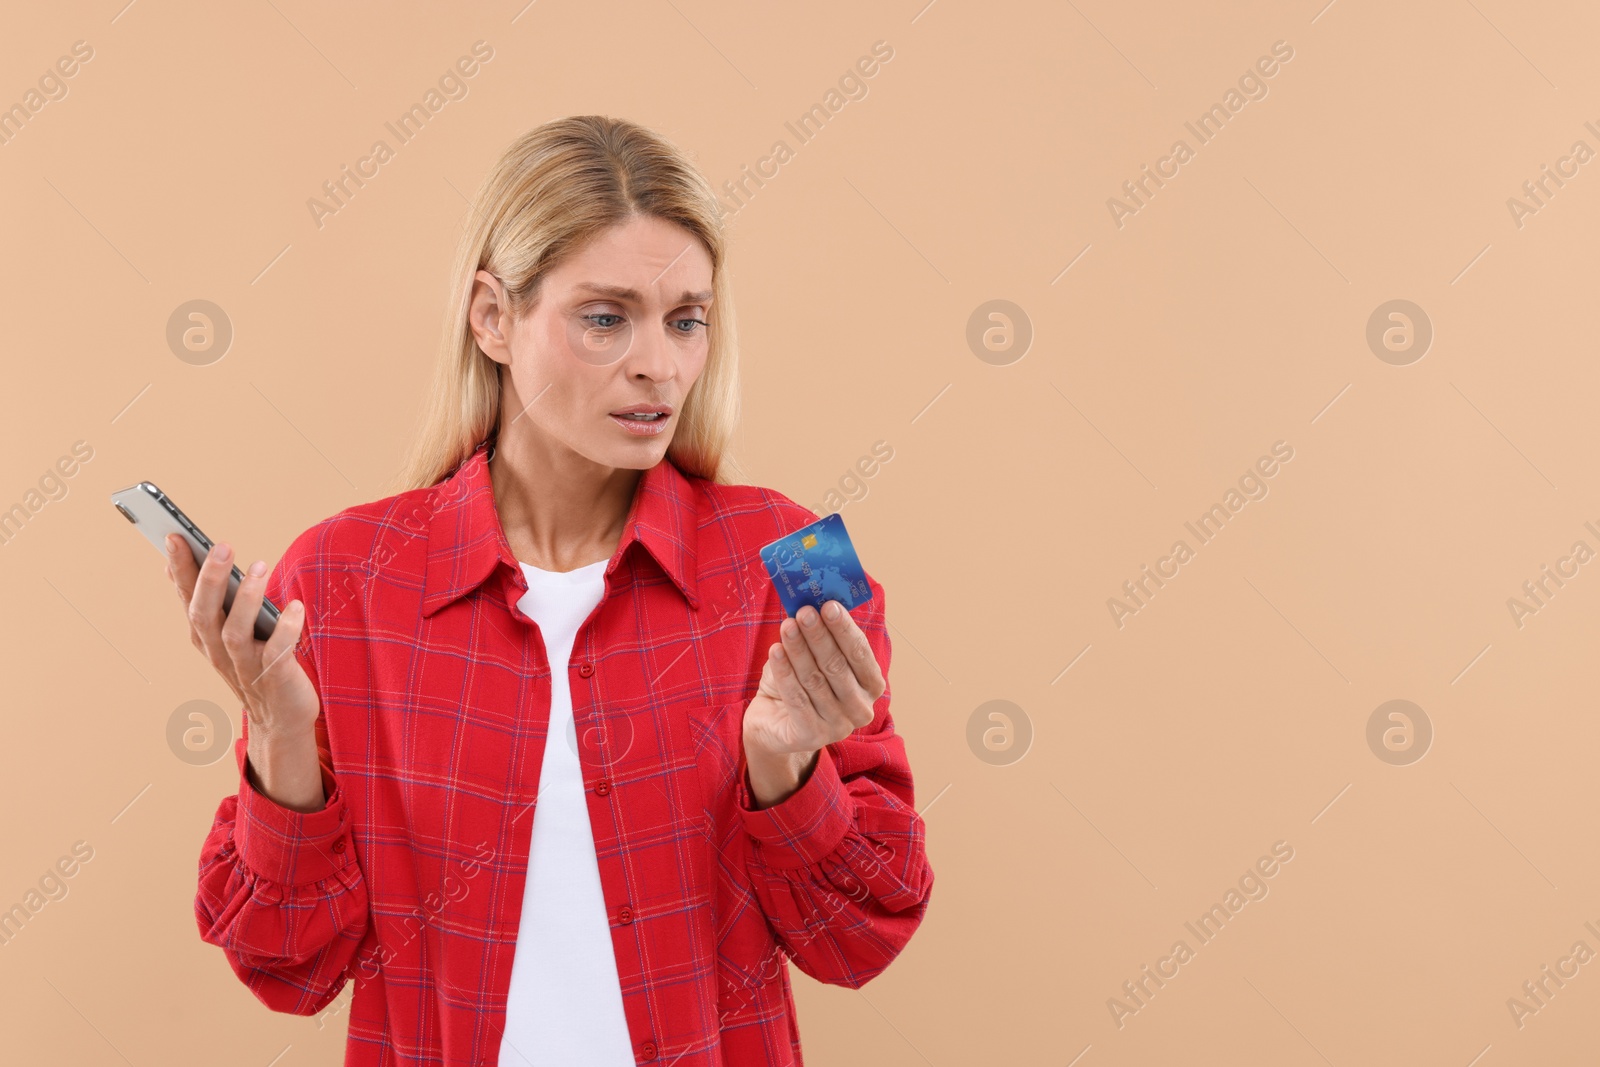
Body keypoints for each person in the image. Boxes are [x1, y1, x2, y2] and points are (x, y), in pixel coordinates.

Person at [173, 115, 934, 1066]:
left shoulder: (804, 558)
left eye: (686, 318)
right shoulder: (335, 578)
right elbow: (285, 961)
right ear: (493, 316)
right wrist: (284, 733)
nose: (659, 363)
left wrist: (783, 766)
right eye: (606, 317)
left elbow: (865, 932)